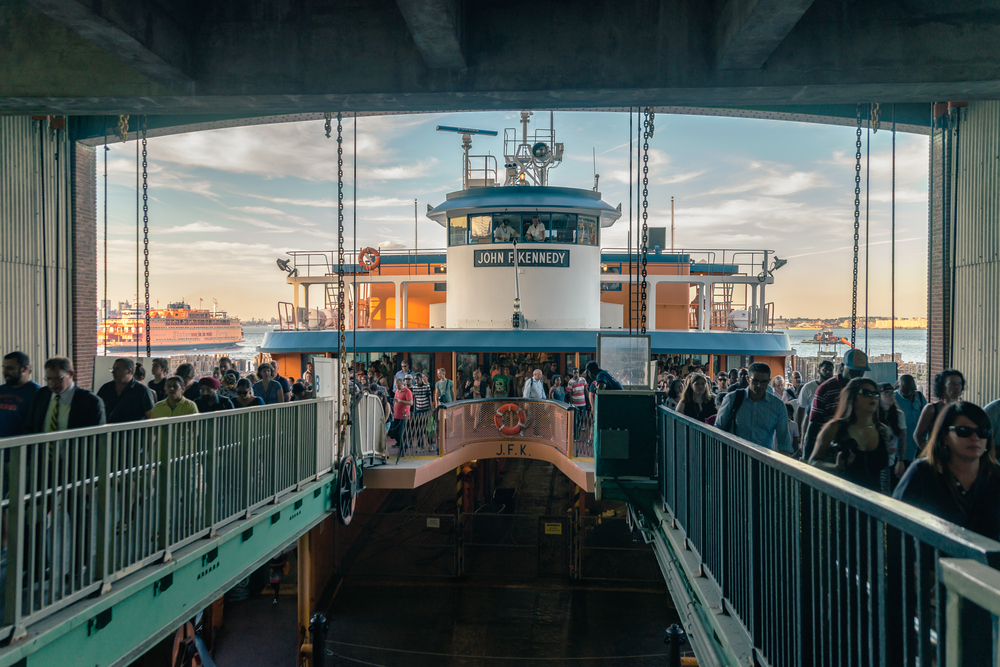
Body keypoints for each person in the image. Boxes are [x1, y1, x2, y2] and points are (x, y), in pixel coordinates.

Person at [894, 401, 1000, 541]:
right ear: (944, 436)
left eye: (983, 432)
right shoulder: (923, 473)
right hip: (933, 560)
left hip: (985, 563)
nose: (975, 438)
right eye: (964, 431)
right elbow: (896, 524)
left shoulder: (995, 476)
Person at [809, 377, 891, 492]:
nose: (873, 397)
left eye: (876, 393)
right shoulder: (834, 428)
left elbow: (885, 474)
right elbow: (813, 463)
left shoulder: (883, 431)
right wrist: (836, 467)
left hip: (876, 503)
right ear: (852, 398)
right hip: (843, 501)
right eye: (866, 393)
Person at [803, 350, 870, 459]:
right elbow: (813, 428)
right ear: (843, 367)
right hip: (829, 452)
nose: (858, 375)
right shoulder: (825, 389)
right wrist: (807, 458)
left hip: (858, 452)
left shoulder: (865, 389)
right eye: (854, 370)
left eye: (861, 371)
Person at [716, 362, 792, 454]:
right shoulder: (732, 399)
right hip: (735, 459)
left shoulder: (777, 405)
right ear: (748, 379)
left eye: (764, 382)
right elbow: (719, 429)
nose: (759, 385)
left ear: (769, 381)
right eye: (755, 381)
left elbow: (784, 441)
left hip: (763, 461)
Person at [23, 357, 106, 433]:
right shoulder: (40, 395)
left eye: (57, 378)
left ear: (71, 374)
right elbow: (29, 427)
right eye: (49, 379)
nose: (52, 383)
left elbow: (97, 437)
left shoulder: (91, 402)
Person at [914, 369, 965, 451]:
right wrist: (929, 454)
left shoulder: (963, 409)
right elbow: (917, 436)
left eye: (960, 383)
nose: (957, 387)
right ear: (943, 386)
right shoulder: (931, 409)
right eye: (952, 383)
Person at [97, 357, 156, 423]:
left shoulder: (142, 391)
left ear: (129, 371)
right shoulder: (106, 388)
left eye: (117, 369)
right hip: (108, 431)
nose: (113, 372)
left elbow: (150, 418)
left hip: (133, 432)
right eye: (113, 369)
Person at [894, 374, 928, 475]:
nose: (909, 393)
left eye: (911, 389)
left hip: (918, 449)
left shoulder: (920, 398)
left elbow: (926, 421)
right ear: (898, 387)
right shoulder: (893, 398)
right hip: (899, 453)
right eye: (905, 390)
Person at [0, 351, 40, 437]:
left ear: (24, 369)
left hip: (21, 446)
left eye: (10, 368)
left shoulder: (38, 393)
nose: (5, 372)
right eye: (4, 368)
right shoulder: (1, 390)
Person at [877, 382, 908, 488]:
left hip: (892, 460)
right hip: (876, 461)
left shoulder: (899, 415)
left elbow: (903, 439)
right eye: (887, 393)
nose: (891, 395)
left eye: (892, 393)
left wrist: (900, 460)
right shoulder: (873, 414)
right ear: (879, 396)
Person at [795, 360, 834, 437]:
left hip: (829, 429)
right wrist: (798, 429)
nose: (827, 372)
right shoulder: (808, 388)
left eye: (830, 370)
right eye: (825, 369)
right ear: (819, 371)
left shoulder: (834, 388)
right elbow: (801, 409)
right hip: (811, 428)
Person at [391, 378, 413, 455]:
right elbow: (395, 402)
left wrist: (400, 401)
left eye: (399, 386)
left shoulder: (407, 391)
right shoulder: (397, 391)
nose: (398, 387)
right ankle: (403, 445)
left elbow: (410, 402)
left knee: (402, 433)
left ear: (403, 384)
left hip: (404, 416)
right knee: (394, 433)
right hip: (396, 415)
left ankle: (402, 450)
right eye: (396, 386)